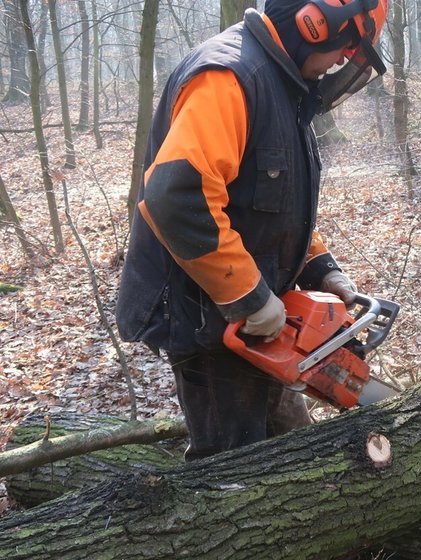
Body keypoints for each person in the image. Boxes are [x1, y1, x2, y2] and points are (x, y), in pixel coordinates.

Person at [115, 0, 388, 462]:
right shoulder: (230, 77)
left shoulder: (282, 87)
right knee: (235, 469)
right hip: (207, 317)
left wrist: (320, 269)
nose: (341, 63)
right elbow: (177, 198)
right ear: (315, 24)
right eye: (343, 50)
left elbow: (272, 206)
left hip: (262, 321)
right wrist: (248, 296)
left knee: (294, 446)